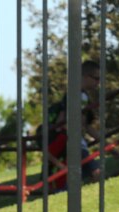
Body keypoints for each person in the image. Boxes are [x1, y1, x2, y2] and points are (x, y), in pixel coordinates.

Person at [43, 59, 104, 190]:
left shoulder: (82, 95)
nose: (98, 83)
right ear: (85, 76)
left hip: (75, 143)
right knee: (95, 173)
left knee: (90, 175)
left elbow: (85, 124)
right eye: (96, 78)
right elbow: (65, 119)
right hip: (73, 142)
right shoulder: (75, 95)